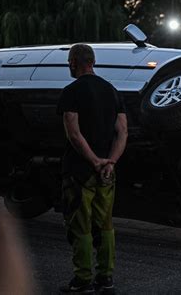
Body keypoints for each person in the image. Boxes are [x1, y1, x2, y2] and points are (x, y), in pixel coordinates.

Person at [57, 43, 128, 293]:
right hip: (107, 172)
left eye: (69, 61)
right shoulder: (113, 91)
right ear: (93, 62)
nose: (68, 65)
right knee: (105, 223)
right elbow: (122, 132)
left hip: (79, 171)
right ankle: (106, 277)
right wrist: (111, 161)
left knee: (80, 224)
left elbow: (74, 134)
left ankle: (83, 279)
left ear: (75, 62)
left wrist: (94, 161)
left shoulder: (71, 91)